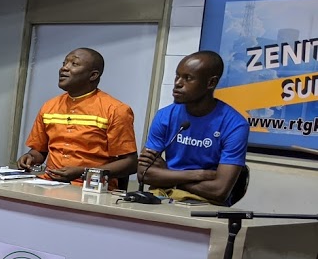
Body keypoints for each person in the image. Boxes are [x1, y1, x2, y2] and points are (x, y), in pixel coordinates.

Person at [137, 51, 248, 205]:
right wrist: (197, 175)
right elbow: (143, 174)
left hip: (205, 203)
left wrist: (168, 175)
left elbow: (219, 191)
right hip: (164, 195)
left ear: (211, 83)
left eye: (188, 78)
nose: (178, 83)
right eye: (177, 76)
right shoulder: (165, 115)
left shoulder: (235, 124)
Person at [16, 47, 137, 187]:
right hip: (50, 184)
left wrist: (84, 172)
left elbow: (130, 163)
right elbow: (39, 150)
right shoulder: (49, 106)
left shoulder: (116, 110)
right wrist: (31, 157)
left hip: (92, 188)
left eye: (74, 64)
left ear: (93, 75)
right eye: (64, 63)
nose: (64, 68)